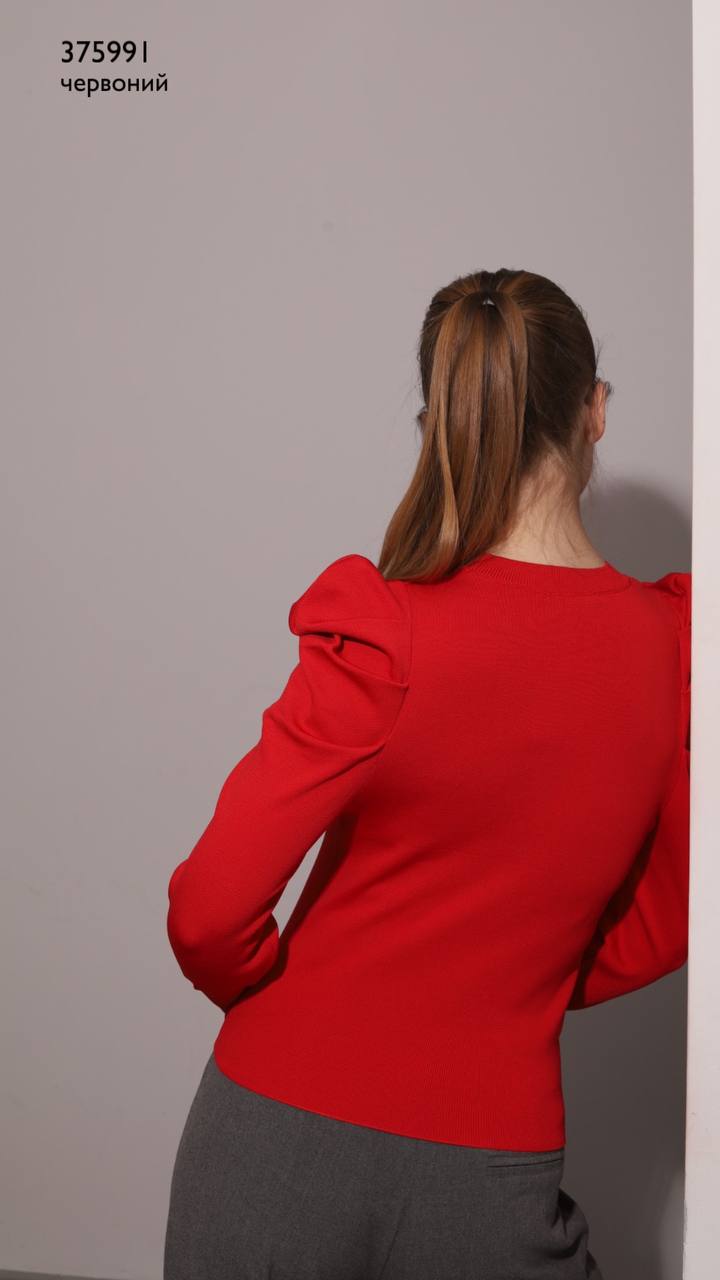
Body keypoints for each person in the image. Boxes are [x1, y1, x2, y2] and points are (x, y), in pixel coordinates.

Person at [163, 268, 691, 1279]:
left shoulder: (386, 629)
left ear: (440, 417)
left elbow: (207, 911)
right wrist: (516, 985)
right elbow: (666, 918)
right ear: (595, 410)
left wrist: (288, 1012)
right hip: (492, 1156)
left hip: (272, 1137)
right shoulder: (674, 653)